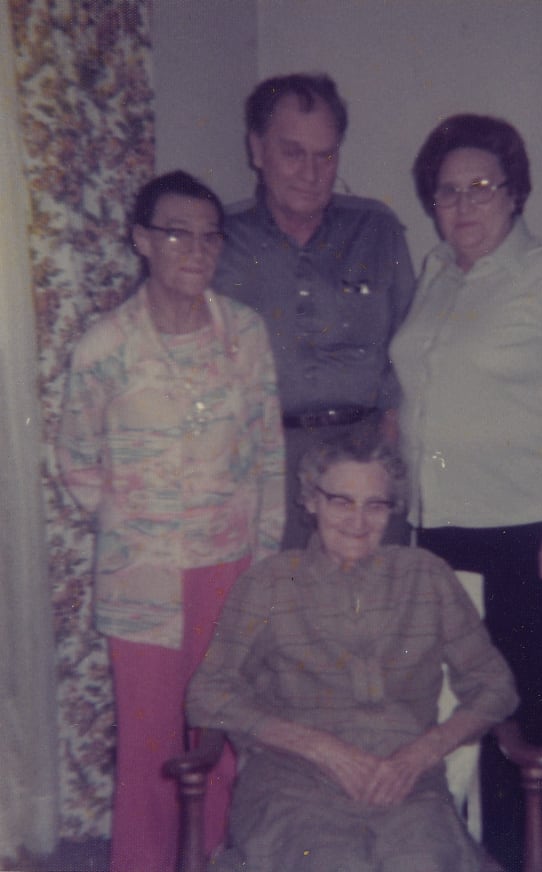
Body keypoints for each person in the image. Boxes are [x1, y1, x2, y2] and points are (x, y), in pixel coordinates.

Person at [390, 114, 542, 872]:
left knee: (529, 723)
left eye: (480, 188)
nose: (462, 205)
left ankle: (539, 860)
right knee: (457, 714)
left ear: (515, 193)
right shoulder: (436, 276)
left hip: (525, 535)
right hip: (439, 533)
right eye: (447, 191)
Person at [58, 170, 285, 872]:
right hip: (144, 576)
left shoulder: (243, 333)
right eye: (177, 232)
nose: (196, 249)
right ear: (142, 241)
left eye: (210, 235)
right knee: (152, 744)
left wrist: (264, 553)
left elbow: (267, 451)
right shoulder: (104, 348)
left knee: (221, 727)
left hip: (229, 565)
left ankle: (218, 856)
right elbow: (76, 462)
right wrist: (135, 523)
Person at [186, 428, 518, 872]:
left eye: (374, 505)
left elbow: (496, 686)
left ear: (391, 510)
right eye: (341, 501)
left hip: (408, 785)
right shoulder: (268, 583)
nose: (358, 522)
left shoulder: (427, 577)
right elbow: (207, 693)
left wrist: (421, 753)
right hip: (294, 785)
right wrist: (321, 748)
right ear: (310, 500)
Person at [212, 72, 416, 548]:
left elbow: (412, 341)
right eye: (293, 152)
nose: (312, 172)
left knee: (373, 609)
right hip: (263, 462)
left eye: (326, 154)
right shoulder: (220, 239)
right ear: (257, 150)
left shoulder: (376, 229)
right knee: (282, 608)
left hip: (366, 456)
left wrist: (387, 432)